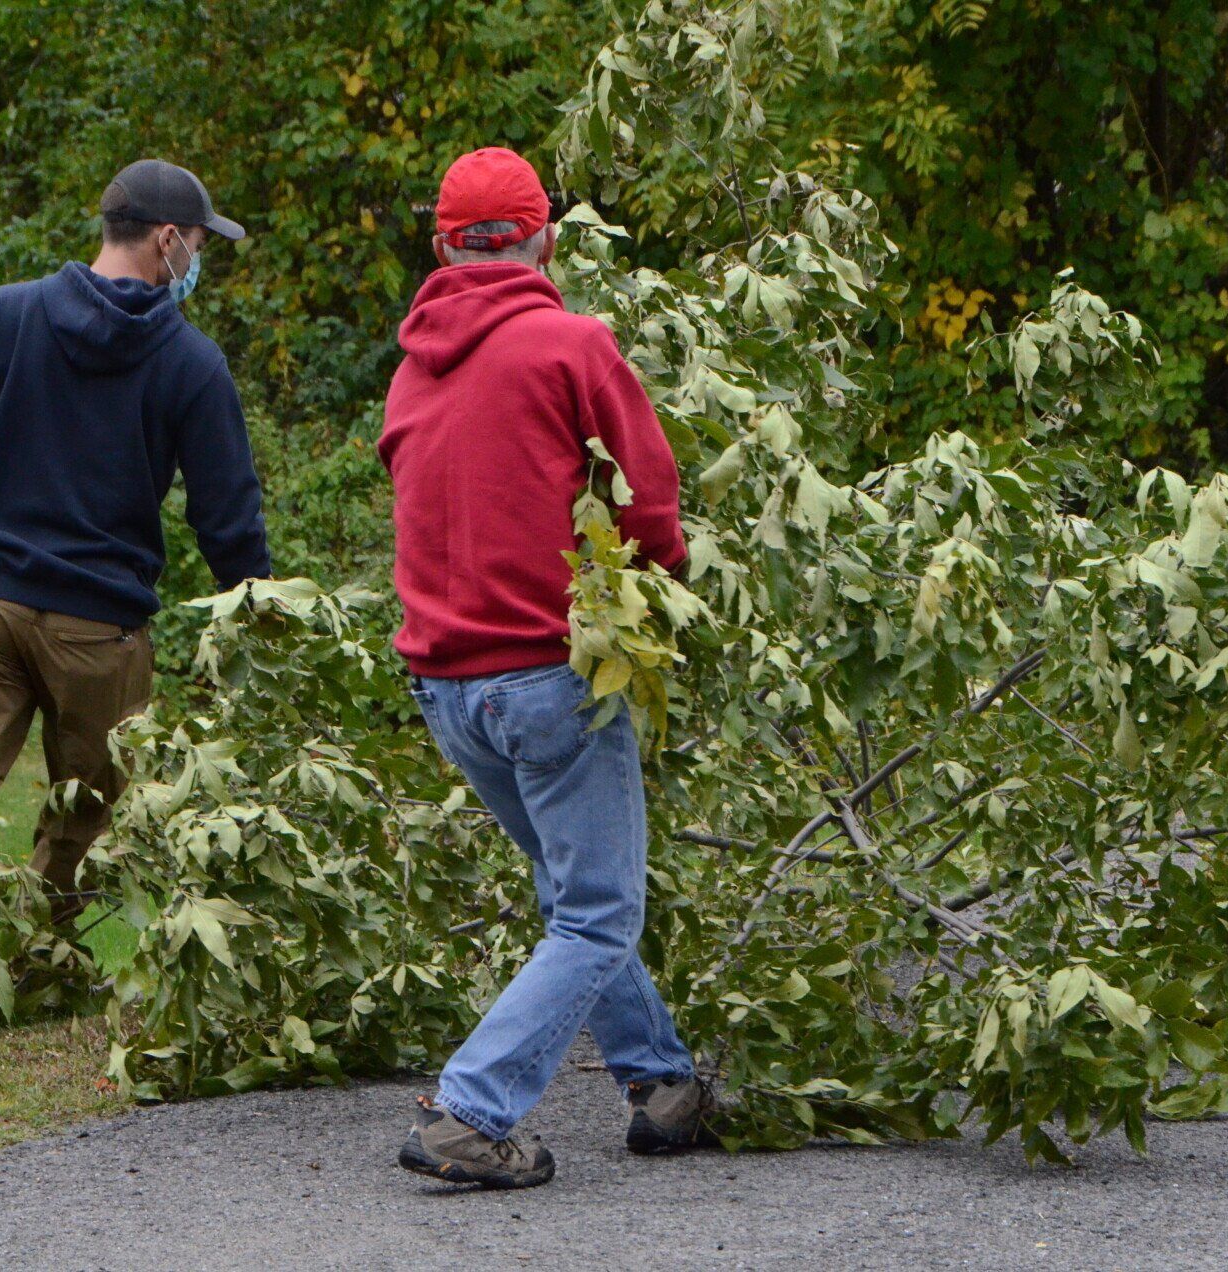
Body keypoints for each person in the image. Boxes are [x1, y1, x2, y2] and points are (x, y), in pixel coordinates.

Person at [0, 159, 271, 1047]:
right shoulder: (192, 363)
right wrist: (260, 627)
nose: (200, 259)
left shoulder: (4, 315)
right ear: (166, 240)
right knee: (86, 805)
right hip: (102, 628)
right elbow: (229, 524)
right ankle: (32, 957)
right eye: (198, 243)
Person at [380, 146, 714, 1189]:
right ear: (547, 241)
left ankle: (664, 1084)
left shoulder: (411, 365)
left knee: (574, 893)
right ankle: (469, 1111)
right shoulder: (573, 344)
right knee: (599, 910)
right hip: (546, 680)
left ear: (444, 249)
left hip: (447, 690)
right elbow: (650, 501)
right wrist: (664, 592)